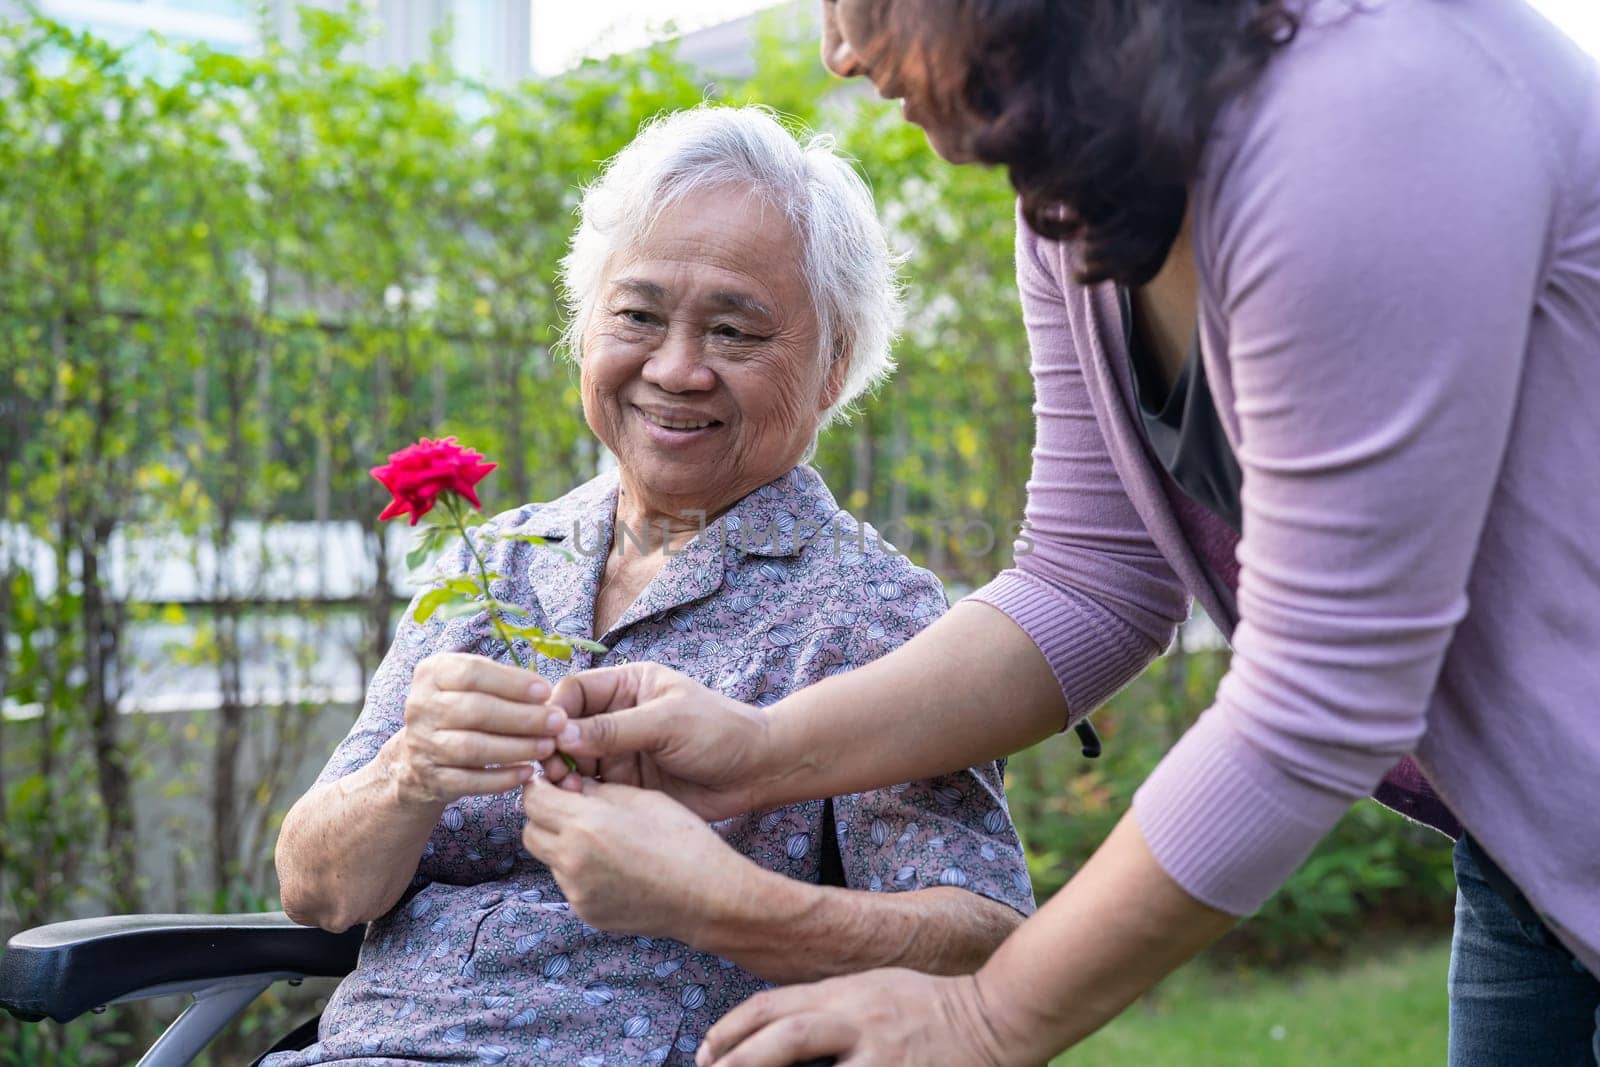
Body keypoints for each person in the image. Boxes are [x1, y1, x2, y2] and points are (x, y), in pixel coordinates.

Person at [528, 2, 1600, 1064]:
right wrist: (759, 752)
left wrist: (985, 1014)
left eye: (866, 2)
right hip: (1528, 846)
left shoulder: (1367, 114)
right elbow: (1091, 581)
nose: (840, 51)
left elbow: (1323, 690)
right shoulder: (1082, 196)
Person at [268, 105, 1035, 1067]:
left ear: (835, 365)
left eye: (733, 331)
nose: (675, 369)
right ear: (586, 326)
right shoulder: (493, 563)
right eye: (637, 315)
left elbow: (990, 950)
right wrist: (407, 773)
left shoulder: (878, 616)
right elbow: (317, 888)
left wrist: (714, 899)